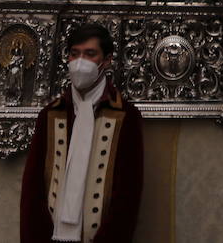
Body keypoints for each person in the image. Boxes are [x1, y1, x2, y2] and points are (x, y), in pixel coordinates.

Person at [20, 23, 143, 243]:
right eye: (74, 54)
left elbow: (128, 194)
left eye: (90, 54)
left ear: (106, 61)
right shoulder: (51, 114)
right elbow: (33, 188)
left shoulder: (125, 115)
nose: (80, 63)